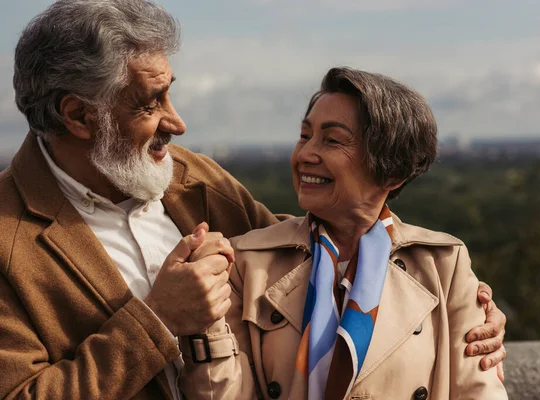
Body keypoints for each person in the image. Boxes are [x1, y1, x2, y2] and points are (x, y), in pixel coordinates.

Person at [0, 1, 505, 399]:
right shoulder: (8, 238)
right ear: (78, 116)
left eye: (170, 94)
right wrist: (156, 320)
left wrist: (456, 298)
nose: (177, 123)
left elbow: (308, 249)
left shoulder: (193, 179)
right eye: (151, 103)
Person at [179, 67, 508, 399]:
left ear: (391, 171)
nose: (305, 154)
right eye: (305, 136)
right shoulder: (245, 263)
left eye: (332, 140)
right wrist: (203, 321)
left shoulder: (443, 265)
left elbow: (478, 391)